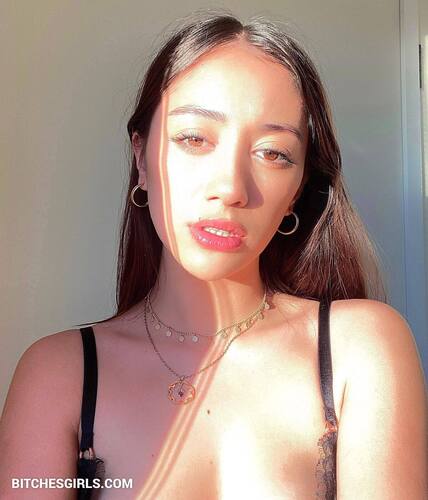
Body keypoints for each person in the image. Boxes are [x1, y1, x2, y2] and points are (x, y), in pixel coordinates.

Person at [0, 11, 427, 500]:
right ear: (141, 158)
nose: (231, 188)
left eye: (273, 153)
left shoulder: (358, 350)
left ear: (297, 191)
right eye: (193, 138)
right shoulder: (59, 375)